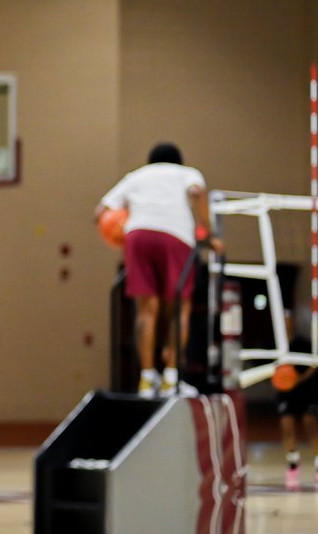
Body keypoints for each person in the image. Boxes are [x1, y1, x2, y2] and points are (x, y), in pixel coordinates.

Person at [95, 142, 223, 399]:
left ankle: (146, 379)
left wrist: (118, 231)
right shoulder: (187, 173)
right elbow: (197, 193)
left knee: (146, 310)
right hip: (175, 235)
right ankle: (171, 378)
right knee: (179, 307)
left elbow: (101, 211)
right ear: (179, 160)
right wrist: (208, 232)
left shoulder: (136, 176)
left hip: (137, 234)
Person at [275, 326, 318, 490]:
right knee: (287, 426)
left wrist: (299, 379)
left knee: (310, 424)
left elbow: (315, 364)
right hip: (285, 392)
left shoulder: (302, 343)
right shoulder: (274, 344)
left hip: (304, 389)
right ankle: (293, 464)